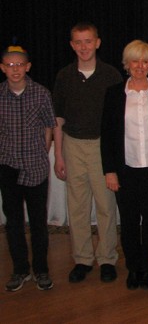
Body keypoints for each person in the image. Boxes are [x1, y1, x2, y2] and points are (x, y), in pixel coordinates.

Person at [101, 40, 148, 290]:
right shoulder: (113, 94)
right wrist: (109, 170)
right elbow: (107, 136)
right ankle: (134, 268)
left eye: (145, 61)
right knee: (129, 222)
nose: (140, 66)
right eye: (135, 61)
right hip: (125, 170)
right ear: (127, 64)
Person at [53, 22, 122, 283]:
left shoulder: (111, 75)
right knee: (78, 206)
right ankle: (82, 258)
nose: (84, 47)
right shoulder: (64, 76)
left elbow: (117, 120)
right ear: (72, 45)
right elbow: (58, 118)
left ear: (97, 43)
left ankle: (107, 258)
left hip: (101, 146)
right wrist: (58, 154)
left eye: (88, 41)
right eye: (78, 42)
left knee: (105, 204)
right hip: (72, 144)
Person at [1, 45, 56, 292]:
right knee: (13, 222)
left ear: (28, 67)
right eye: (10, 65)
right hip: (8, 167)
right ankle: (20, 269)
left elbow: (49, 126)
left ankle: (41, 270)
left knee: (38, 223)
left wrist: (42, 151)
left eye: (20, 65)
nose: (15, 69)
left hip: (35, 166)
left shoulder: (41, 94)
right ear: (3, 68)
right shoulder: (0, 95)